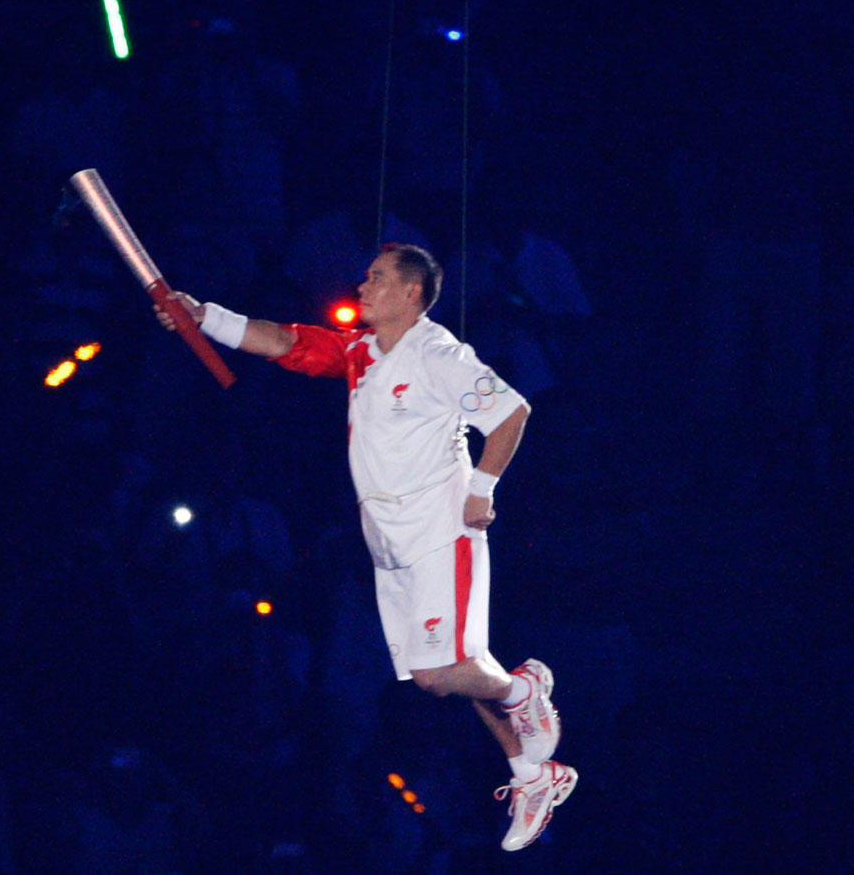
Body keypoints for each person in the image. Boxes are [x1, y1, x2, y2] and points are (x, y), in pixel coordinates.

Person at [156, 243, 576, 851]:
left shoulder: (438, 355)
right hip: (386, 538)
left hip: (440, 528)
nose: (361, 286)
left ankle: (523, 691)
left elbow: (512, 412)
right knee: (454, 667)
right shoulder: (360, 353)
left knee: (440, 674)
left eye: (376, 278)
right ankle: (532, 773)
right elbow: (281, 340)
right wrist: (202, 316)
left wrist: (482, 489)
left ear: (411, 293)